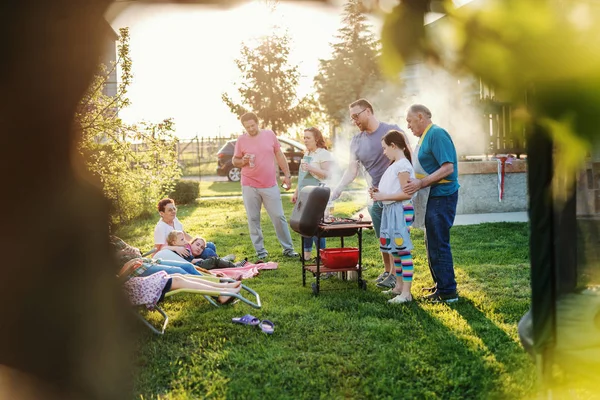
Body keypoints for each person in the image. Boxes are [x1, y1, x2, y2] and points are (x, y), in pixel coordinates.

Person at [331, 98, 412, 289]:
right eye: (351, 118)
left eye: (356, 116)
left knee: (396, 237)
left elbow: (409, 154)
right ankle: (387, 270)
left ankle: (395, 274)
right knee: (383, 235)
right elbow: (352, 170)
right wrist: (339, 187)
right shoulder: (356, 141)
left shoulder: (391, 130)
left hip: (395, 197)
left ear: (368, 111)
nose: (354, 121)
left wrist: (415, 180)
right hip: (377, 195)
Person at [403, 104, 460, 303]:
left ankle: (448, 292)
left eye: (409, 121)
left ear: (420, 117)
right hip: (433, 196)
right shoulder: (425, 137)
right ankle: (441, 285)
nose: (408, 126)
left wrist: (420, 183)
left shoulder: (437, 134)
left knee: (438, 241)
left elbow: (447, 168)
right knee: (431, 241)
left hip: (442, 196)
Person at [232, 112, 299, 260]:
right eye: (247, 127)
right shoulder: (241, 140)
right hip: (249, 184)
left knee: (278, 216)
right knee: (253, 218)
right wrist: (243, 160)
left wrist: (287, 176)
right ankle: (260, 251)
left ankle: (288, 249)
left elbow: (279, 155)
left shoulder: (269, 135)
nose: (251, 129)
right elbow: (235, 161)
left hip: (269, 184)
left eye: (253, 125)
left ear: (258, 123)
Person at [369, 130, 416, 304]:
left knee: (402, 250)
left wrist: (383, 197)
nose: (384, 152)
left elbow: (405, 194)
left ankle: (406, 293)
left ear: (393, 146)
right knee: (394, 249)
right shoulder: (395, 164)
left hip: (400, 210)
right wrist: (379, 193)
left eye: (384, 148)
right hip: (392, 210)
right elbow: (394, 190)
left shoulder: (403, 166)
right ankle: (397, 286)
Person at [119, 259, 242, 306]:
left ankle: (222, 288)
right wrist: (128, 266)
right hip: (126, 290)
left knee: (178, 275)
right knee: (177, 278)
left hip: (131, 283)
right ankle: (221, 293)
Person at [291, 127, 333, 261]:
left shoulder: (323, 154)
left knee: (315, 226)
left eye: (308, 138)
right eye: (304, 138)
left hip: (317, 195)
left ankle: (321, 255)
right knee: (304, 224)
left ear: (317, 139)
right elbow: (302, 177)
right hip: (304, 194)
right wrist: (296, 192)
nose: (305, 140)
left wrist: (311, 168)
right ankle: (307, 255)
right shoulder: (307, 154)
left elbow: (328, 174)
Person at [153, 198, 218, 260]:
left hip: (185, 245)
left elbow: (183, 234)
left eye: (174, 208)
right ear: (162, 213)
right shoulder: (160, 228)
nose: (173, 211)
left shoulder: (174, 219)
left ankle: (215, 263)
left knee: (210, 245)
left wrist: (195, 242)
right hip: (178, 253)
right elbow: (158, 249)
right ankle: (219, 262)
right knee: (207, 252)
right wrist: (176, 248)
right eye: (170, 210)